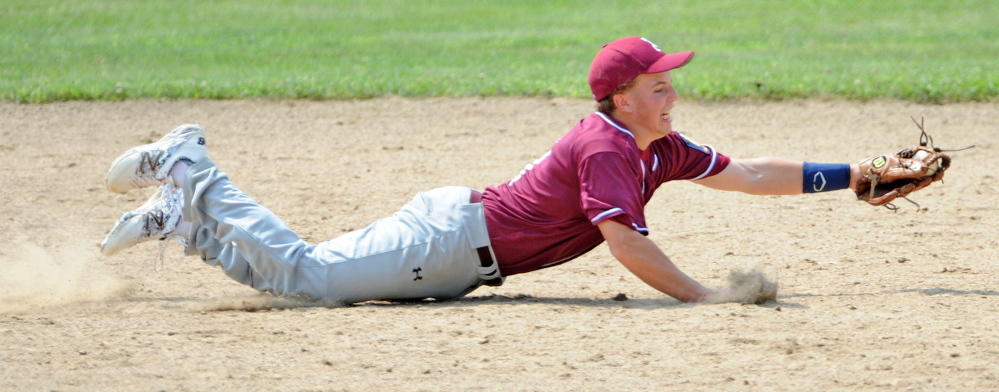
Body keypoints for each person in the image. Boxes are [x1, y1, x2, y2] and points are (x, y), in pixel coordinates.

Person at [101, 36, 865, 305]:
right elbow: (626, 244)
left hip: (458, 249)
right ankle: (189, 165)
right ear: (620, 97)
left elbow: (754, 174)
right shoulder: (604, 146)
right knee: (304, 277)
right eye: (658, 86)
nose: (673, 93)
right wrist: (703, 297)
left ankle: (183, 219)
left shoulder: (657, 145)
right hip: (445, 241)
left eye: (670, 82)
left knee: (294, 282)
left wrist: (855, 175)